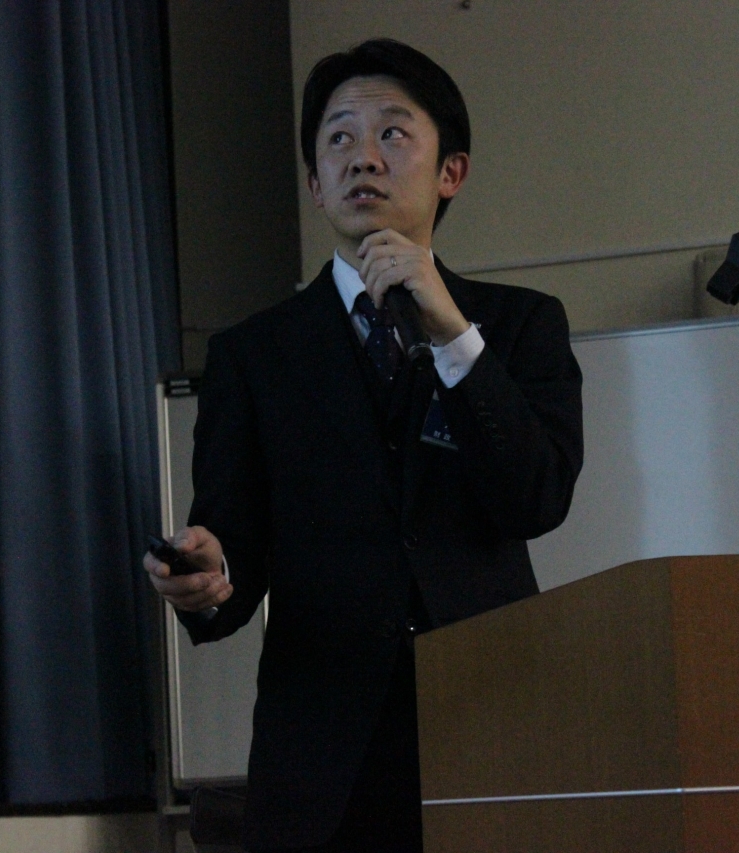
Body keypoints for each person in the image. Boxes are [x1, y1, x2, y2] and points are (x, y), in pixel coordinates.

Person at [145, 38, 583, 852]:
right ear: (316, 184)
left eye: (392, 133)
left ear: (451, 171)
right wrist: (206, 574)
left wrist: (452, 332)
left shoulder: (520, 324)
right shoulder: (254, 354)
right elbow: (233, 548)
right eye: (339, 138)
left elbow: (537, 495)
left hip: (492, 729)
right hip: (323, 756)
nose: (363, 157)